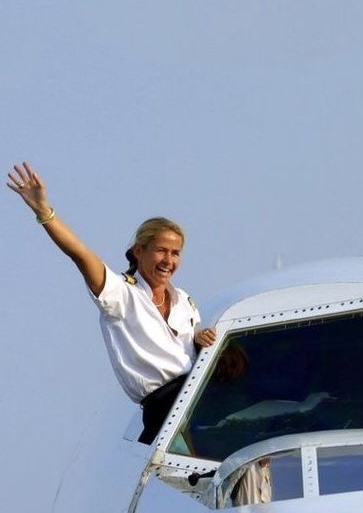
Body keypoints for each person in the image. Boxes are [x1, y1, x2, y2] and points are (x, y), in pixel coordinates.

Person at [7, 161, 217, 443]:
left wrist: (201, 339)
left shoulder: (185, 302)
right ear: (139, 252)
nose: (169, 260)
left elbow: (190, 352)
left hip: (200, 400)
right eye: (161, 251)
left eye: (176, 253)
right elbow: (80, 254)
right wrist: (45, 213)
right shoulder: (121, 294)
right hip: (164, 409)